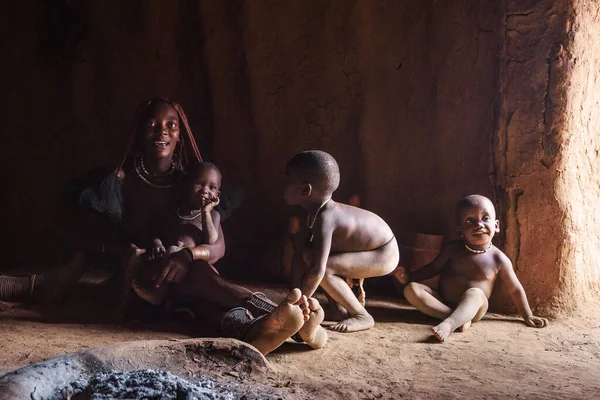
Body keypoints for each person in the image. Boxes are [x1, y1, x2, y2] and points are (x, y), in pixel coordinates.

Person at [0, 98, 326, 354]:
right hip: (140, 275)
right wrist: (135, 254)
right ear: (139, 132)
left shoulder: (194, 184)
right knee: (197, 281)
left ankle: (271, 329)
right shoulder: (119, 181)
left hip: (184, 275)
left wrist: (186, 256)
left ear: (180, 135)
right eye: (153, 125)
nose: (162, 131)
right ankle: (279, 312)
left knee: (200, 302)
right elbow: (96, 242)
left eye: (171, 125)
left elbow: (216, 247)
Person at [397, 194, 549, 342]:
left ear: (496, 226)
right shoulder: (452, 249)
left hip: (476, 308)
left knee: (475, 293)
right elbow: (433, 268)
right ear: (460, 231)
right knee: (411, 289)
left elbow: (515, 289)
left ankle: (449, 324)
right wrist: (410, 277)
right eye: (470, 221)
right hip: (443, 302)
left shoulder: (498, 258)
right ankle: (458, 318)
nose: (479, 225)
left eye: (485, 218)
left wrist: (528, 315)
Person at [283, 150, 400, 333]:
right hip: (373, 249)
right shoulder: (316, 213)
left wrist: (298, 305)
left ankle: (361, 315)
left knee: (325, 268)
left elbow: (317, 270)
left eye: (287, 181)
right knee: (310, 252)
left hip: (384, 253)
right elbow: (301, 255)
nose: (283, 185)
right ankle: (338, 308)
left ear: (306, 190)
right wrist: (292, 296)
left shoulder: (327, 217)